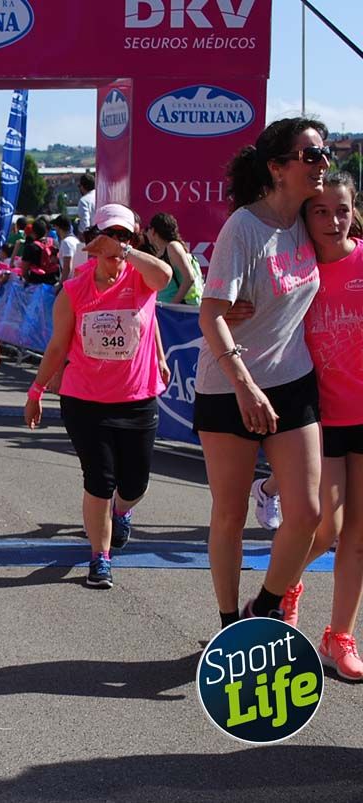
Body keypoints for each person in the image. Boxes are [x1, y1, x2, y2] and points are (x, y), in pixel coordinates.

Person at [193, 116, 327, 630]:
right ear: (277, 167)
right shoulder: (243, 228)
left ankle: (263, 607)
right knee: (229, 515)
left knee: (308, 514)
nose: (321, 164)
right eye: (310, 155)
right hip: (231, 388)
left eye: (325, 154)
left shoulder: (311, 219)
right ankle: (229, 626)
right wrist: (245, 386)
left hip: (292, 382)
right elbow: (210, 315)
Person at [25, 204, 173, 588]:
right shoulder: (74, 290)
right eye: (110, 236)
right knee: (99, 480)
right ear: (94, 242)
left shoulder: (141, 278)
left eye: (124, 237)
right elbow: (57, 347)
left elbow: (163, 279)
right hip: (85, 400)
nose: (117, 245)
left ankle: (122, 512)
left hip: (137, 398)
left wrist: (158, 355)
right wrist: (36, 390)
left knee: (134, 484)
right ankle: (100, 557)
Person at [274, 172, 363, 678]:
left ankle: (339, 637)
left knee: (358, 536)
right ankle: (285, 584)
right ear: (305, 216)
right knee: (326, 526)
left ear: (354, 210)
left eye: (342, 210)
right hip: (318, 416)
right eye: (321, 211)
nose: (333, 221)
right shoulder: (296, 266)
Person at [147, 213, 203, 306]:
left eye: (148, 229)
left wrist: (172, 306)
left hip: (180, 310)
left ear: (153, 231)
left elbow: (189, 278)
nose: (146, 233)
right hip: (166, 309)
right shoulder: (160, 253)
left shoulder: (173, 247)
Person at [56, 215, 82, 282]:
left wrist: (61, 284)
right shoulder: (76, 240)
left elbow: (67, 267)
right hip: (78, 280)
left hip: (70, 283)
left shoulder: (66, 242)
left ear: (58, 228)